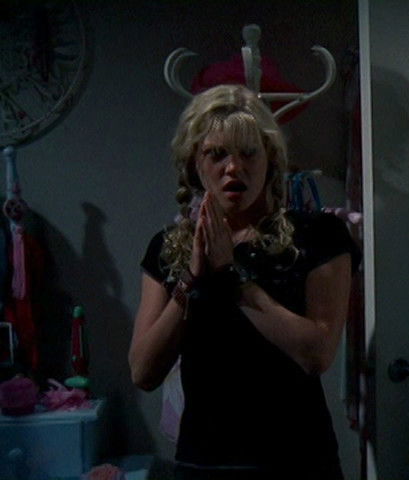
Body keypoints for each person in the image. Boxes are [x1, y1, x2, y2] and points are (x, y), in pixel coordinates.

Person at [128, 84, 358, 479]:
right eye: (217, 154)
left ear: (270, 159)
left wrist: (233, 279)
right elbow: (143, 372)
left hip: (298, 462)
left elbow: (317, 354)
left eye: (248, 153)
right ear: (194, 164)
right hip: (204, 464)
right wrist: (191, 280)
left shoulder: (318, 235)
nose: (233, 168)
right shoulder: (169, 247)